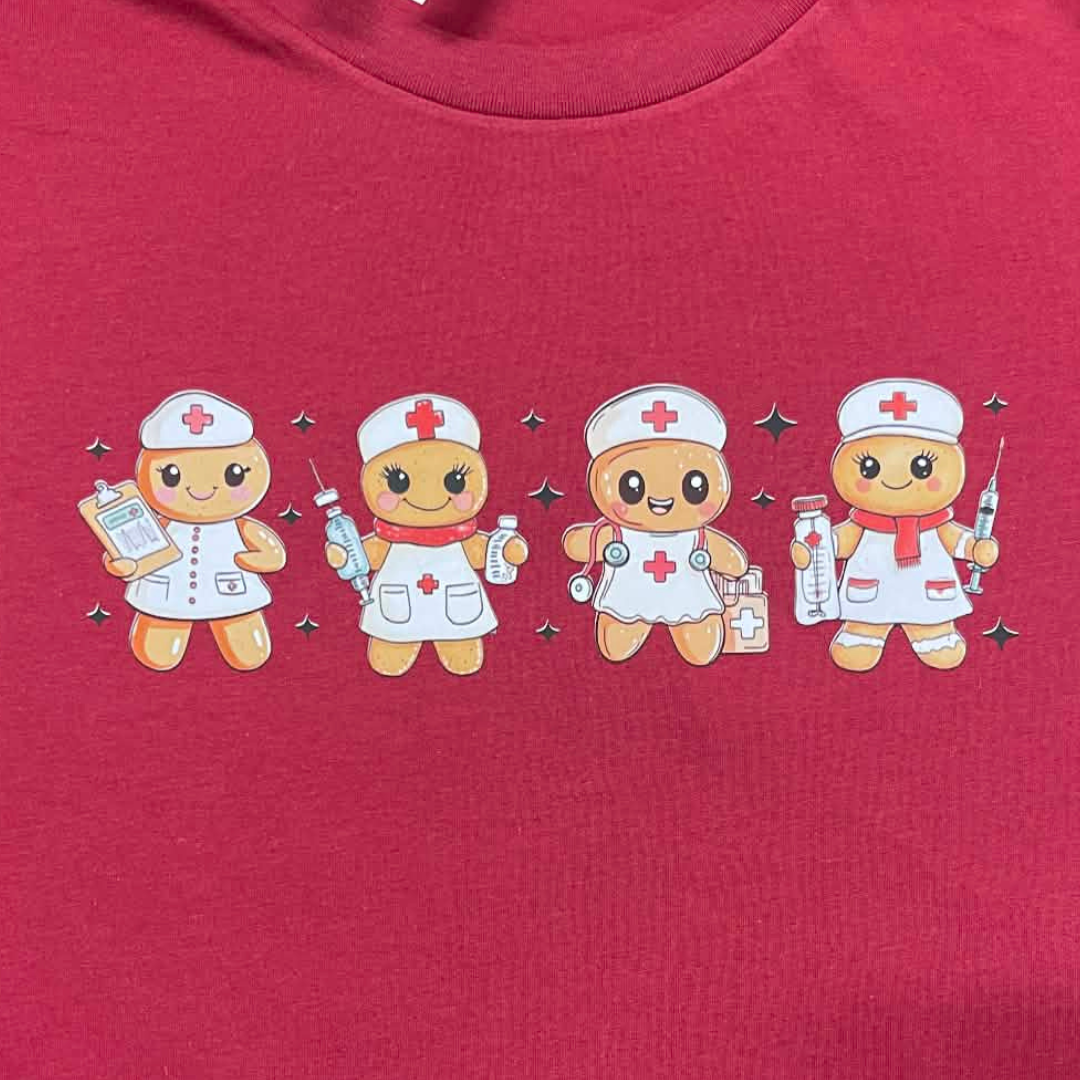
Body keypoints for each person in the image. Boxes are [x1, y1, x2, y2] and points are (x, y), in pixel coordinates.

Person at [791, 378, 1000, 671]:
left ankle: (933, 633)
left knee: (932, 618)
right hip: (871, 593)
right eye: (869, 468)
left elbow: (957, 540)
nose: (897, 479)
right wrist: (811, 551)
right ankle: (862, 634)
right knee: (866, 617)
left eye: (922, 468)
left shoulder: (937, 524)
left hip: (927, 592)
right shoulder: (862, 524)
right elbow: (834, 543)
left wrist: (977, 548)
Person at [105, 390, 286, 671]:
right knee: (158, 642)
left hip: (229, 589)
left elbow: (274, 555)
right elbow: (130, 549)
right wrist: (121, 564)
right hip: (168, 590)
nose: (202, 489)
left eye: (234, 475)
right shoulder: (157, 524)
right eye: (171, 477)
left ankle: (241, 637)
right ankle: (163, 635)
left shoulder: (240, 527)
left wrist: (262, 558)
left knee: (243, 634)